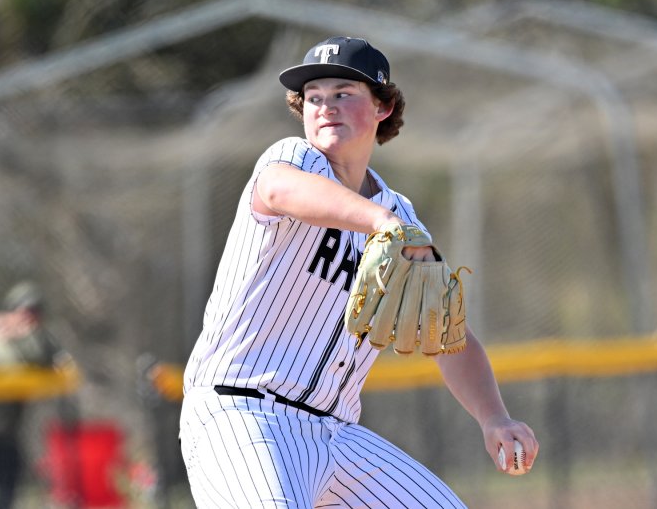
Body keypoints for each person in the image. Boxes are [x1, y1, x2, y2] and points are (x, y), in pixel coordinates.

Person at [179, 36, 539, 508]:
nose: (325, 106)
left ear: (383, 107)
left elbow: (445, 332)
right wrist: (382, 224)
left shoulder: (400, 214)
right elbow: (279, 190)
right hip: (241, 413)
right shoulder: (293, 160)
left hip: (336, 433)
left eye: (343, 93)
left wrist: (494, 417)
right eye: (313, 97)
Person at [0, 281, 70, 509]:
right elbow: (7, 364)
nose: (29, 318)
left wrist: (33, 339)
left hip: (6, 431)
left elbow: (62, 361)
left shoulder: (38, 337)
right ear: (10, 311)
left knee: (7, 490)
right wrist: (29, 340)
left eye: (35, 312)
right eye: (24, 311)